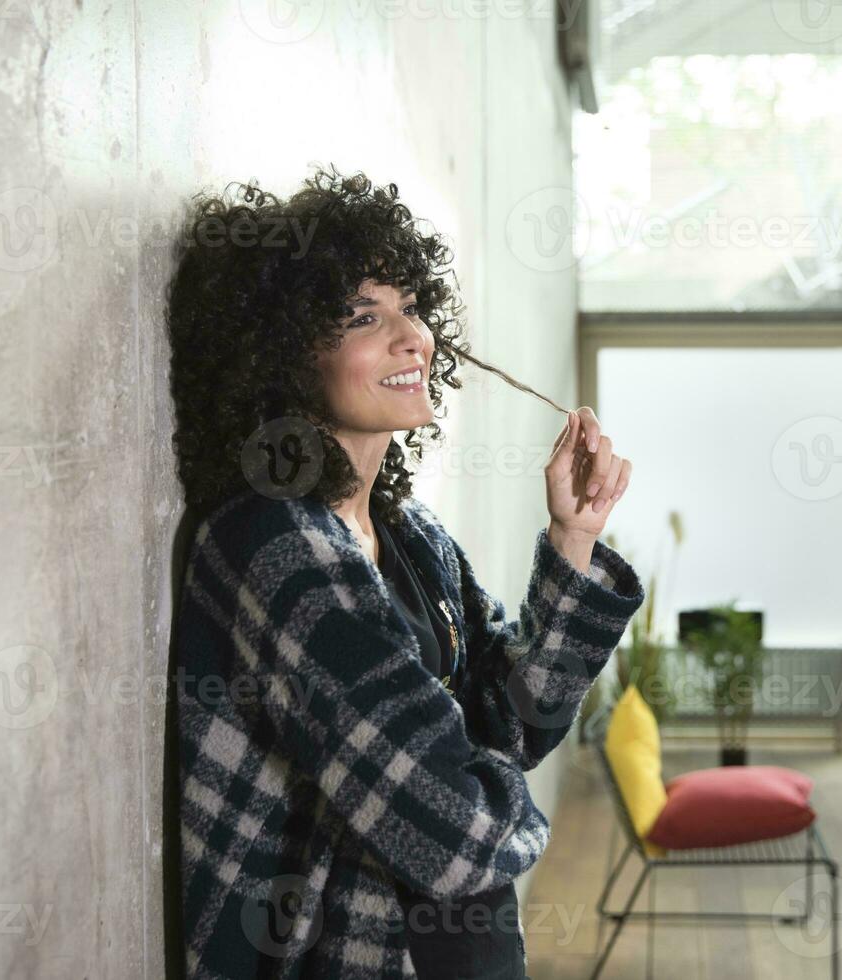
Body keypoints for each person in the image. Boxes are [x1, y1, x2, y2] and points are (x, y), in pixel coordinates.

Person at [166, 165, 644, 978]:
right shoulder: (269, 544)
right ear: (280, 357)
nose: (413, 337)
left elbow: (516, 724)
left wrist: (571, 538)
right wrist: (495, 801)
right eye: (362, 317)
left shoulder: (405, 531)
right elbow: (454, 835)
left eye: (411, 308)